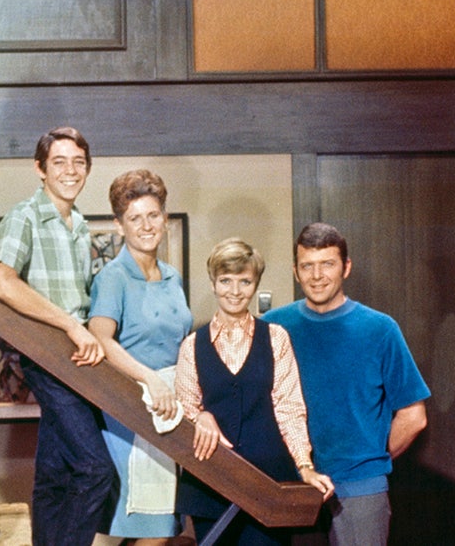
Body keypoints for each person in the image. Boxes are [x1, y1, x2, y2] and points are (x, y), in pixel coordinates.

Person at [262, 223, 429, 546]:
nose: (317, 275)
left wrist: (367, 461)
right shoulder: (273, 327)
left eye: (328, 264)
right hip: (293, 487)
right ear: (296, 272)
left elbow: (413, 416)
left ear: (346, 267)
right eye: (307, 266)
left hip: (360, 490)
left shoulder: (380, 329)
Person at [0, 126, 115, 546]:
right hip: (47, 355)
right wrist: (68, 324)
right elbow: (3, 283)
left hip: (79, 360)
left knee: (55, 475)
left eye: (79, 163)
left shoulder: (79, 224)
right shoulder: (23, 216)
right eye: (59, 162)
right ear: (40, 169)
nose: (70, 171)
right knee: (95, 469)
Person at [174, 237, 334, 545]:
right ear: (213, 283)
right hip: (211, 483)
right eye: (226, 281)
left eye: (244, 281)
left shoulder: (276, 338)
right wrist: (200, 416)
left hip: (268, 483)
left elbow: (289, 409)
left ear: (255, 283)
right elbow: (184, 408)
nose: (234, 291)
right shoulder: (192, 345)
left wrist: (305, 466)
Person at [86, 169, 192, 543]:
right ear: (119, 225)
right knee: (115, 527)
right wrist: (149, 379)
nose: (146, 226)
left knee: (161, 528)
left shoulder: (172, 277)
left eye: (153, 215)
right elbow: (100, 340)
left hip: (170, 409)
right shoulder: (113, 277)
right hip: (129, 411)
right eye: (134, 218)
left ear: (164, 217)